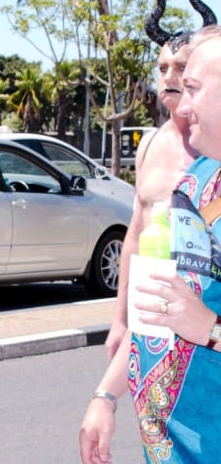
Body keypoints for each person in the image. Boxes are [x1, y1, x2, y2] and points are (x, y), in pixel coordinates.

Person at [79, 25, 221, 463]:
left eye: (193, 88)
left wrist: (211, 329)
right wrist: (106, 394)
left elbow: (198, 320)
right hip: (167, 441)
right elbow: (160, 302)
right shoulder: (193, 181)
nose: (181, 102)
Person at [105, 0, 217, 358]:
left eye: (181, 68)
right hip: (153, 318)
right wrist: (120, 319)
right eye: (162, 68)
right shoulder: (149, 144)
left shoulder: (211, 152)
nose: (169, 77)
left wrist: (210, 327)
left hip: (205, 324)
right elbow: (136, 235)